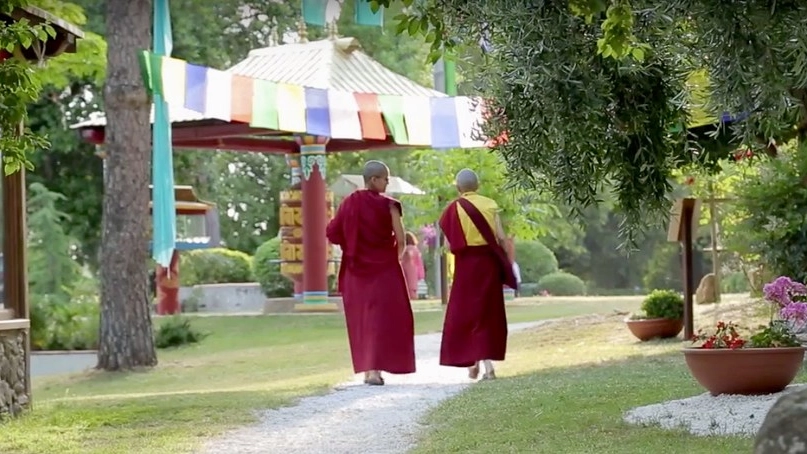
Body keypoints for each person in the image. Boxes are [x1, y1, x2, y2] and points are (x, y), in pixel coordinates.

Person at [325, 160, 416, 386]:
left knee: (363, 319)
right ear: (374, 179)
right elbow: (401, 238)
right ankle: (374, 371)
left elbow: (333, 232)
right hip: (384, 270)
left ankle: (369, 370)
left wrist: (354, 243)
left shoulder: (349, 203)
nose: (387, 182)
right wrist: (395, 257)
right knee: (384, 319)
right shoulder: (390, 205)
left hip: (357, 272)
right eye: (385, 178)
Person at [438, 168, 517, 380]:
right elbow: (500, 237)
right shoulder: (490, 204)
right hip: (488, 266)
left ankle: (472, 362)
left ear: (458, 188)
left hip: (465, 267)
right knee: (487, 314)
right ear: (478, 186)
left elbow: (448, 244)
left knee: (466, 314)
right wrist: (506, 264)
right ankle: (488, 366)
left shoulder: (452, 209)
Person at [401, 232, 425, 299]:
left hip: (403, 272)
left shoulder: (403, 250)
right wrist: (421, 275)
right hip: (414, 272)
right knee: (413, 290)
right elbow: (419, 263)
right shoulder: (415, 250)